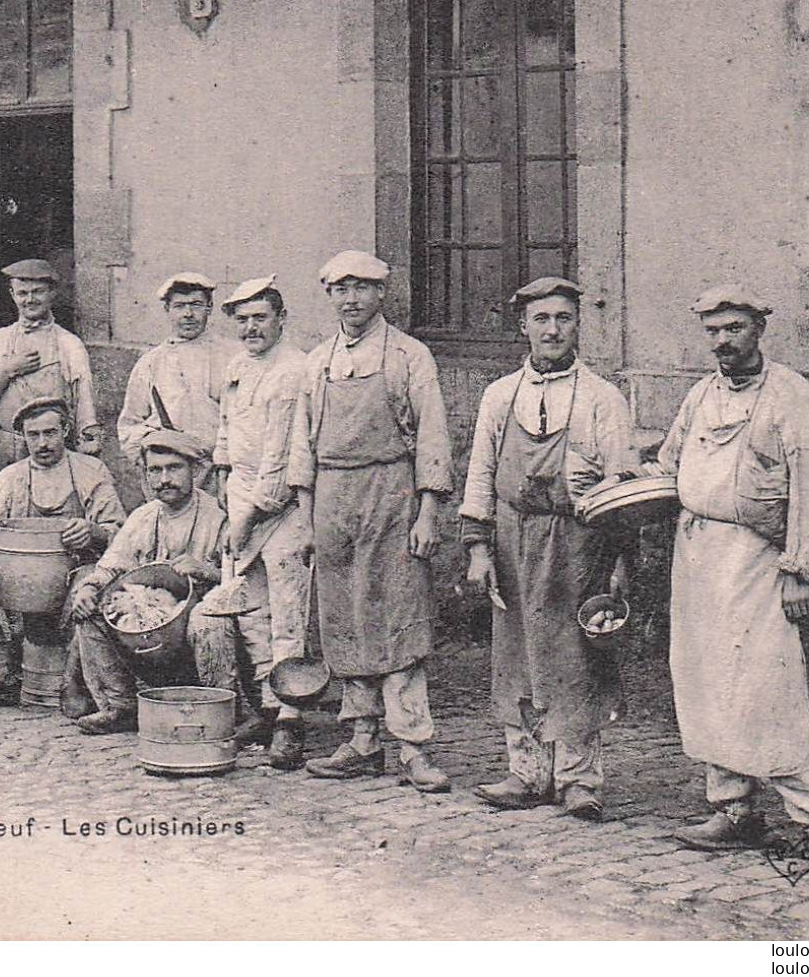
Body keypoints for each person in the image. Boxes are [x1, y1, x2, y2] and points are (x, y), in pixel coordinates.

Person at [650, 286, 809, 878]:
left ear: (759, 329)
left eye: (734, 328)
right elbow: (669, 462)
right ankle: (733, 809)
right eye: (713, 331)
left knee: (765, 687)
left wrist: (802, 571)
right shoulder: (701, 394)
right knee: (704, 679)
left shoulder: (791, 395)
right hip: (696, 554)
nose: (723, 342)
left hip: (759, 557)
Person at [459, 277, 635, 819]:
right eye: (541, 319)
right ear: (524, 327)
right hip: (513, 540)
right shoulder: (499, 395)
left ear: (578, 324)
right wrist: (478, 547)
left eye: (562, 318)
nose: (552, 329)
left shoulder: (604, 399)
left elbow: (624, 486)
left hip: (579, 544)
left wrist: (621, 561)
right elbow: (481, 474)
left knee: (576, 657)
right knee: (516, 656)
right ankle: (527, 773)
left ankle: (581, 780)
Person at [290, 251, 454, 792]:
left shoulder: (410, 355)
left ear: (381, 293)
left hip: (393, 489)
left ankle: (411, 745)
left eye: (361, 288)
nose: (351, 299)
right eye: (340, 289)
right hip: (334, 495)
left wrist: (428, 512)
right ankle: (361, 739)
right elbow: (302, 444)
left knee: (399, 615)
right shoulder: (317, 362)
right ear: (329, 295)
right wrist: (308, 516)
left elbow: (432, 438)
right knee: (344, 615)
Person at [0, 397, 125, 710]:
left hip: (71, 574)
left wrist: (94, 531)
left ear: (66, 431)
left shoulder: (90, 471)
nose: (43, 443)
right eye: (34, 435)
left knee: (90, 587)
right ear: (24, 437)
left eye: (50, 433)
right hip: (20, 581)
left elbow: (122, 535)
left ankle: (73, 682)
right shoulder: (11, 478)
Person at [64, 431, 238, 735]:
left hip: (196, 639)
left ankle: (221, 708)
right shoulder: (143, 517)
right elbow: (111, 564)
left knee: (208, 619)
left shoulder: (218, 516)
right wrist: (90, 587)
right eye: (154, 470)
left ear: (195, 471)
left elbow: (243, 580)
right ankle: (119, 706)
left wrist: (208, 571)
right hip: (150, 634)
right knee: (89, 609)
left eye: (173, 468)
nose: (164, 479)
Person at [213, 276, 311, 768]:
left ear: (281, 319)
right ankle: (269, 708)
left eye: (261, 318)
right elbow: (227, 434)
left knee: (287, 617)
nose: (251, 328)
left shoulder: (293, 372)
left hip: (282, 509)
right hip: (240, 501)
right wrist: (223, 481)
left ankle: (292, 721)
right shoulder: (236, 367)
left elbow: (280, 463)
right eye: (243, 320)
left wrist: (247, 517)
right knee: (251, 612)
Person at [0, 259, 102, 475]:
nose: (30, 300)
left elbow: (84, 404)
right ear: (12, 294)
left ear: (52, 293)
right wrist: (7, 371)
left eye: (37, 292)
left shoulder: (69, 344)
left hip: (55, 452)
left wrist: (88, 446)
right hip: (7, 452)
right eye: (22, 293)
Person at [115, 272, 236, 488]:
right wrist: (157, 450)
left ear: (210, 307)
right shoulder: (150, 363)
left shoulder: (233, 358)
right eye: (180, 306)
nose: (188, 314)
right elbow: (129, 426)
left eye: (196, 305)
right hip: (168, 477)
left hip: (220, 473)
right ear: (167, 310)